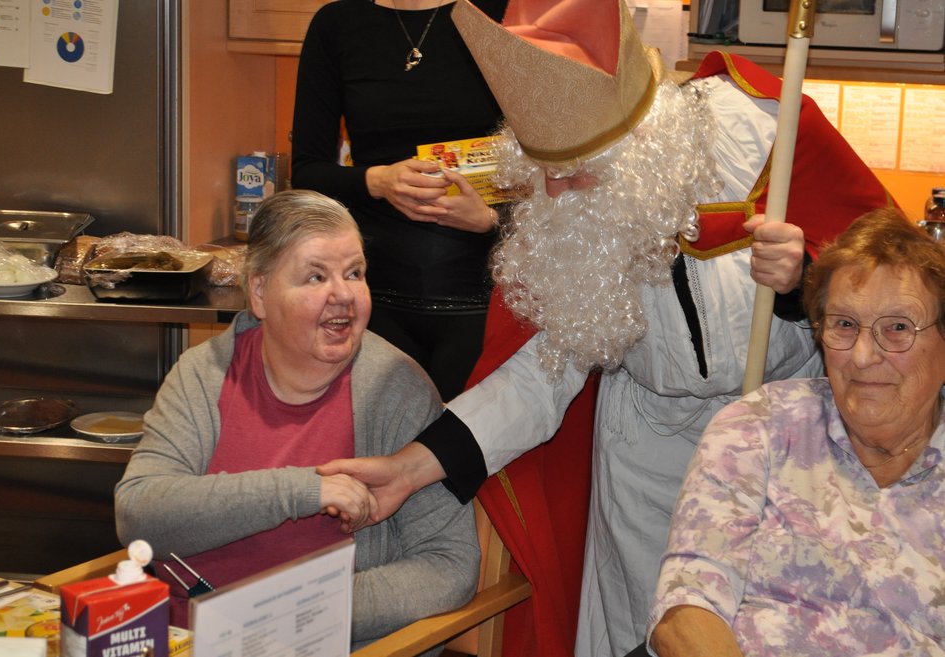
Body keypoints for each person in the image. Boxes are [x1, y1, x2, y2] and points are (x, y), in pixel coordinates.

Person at [317, 1, 898, 656]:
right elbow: (533, 382)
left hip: (782, 448)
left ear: (637, 153)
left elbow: (891, 290)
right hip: (644, 466)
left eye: (574, 174)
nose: (558, 198)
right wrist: (406, 468)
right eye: (546, 177)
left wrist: (801, 283)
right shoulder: (573, 213)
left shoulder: (763, 129)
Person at [113, 190, 479, 654]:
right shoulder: (203, 374)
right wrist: (304, 489)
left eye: (354, 273)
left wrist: (292, 614)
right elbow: (140, 514)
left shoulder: (396, 390)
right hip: (187, 642)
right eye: (315, 276)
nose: (343, 294)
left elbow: (449, 567)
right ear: (260, 293)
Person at [647, 207, 945, 657]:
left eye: (898, 328)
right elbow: (686, 609)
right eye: (844, 324)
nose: (863, 356)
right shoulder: (760, 427)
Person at [291, 0, 508, 401]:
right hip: (369, 303)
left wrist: (491, 219)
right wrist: (377, 179)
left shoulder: (501, 14)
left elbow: (555, 171)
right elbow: (306, 172)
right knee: (378, 454)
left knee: (464, 458)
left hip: (482, 302)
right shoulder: (337, 24)